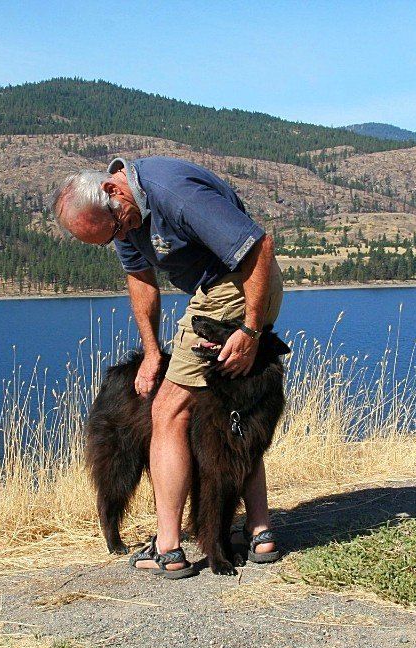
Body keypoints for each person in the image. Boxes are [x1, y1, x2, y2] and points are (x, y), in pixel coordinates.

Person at [52, 156, 283, 577]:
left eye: (117, 229)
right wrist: (153, 352)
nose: (121, 237)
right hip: (224, 293)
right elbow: (140, 278)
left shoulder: (173, 193)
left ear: (112, 191)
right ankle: (258, 530)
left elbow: (259, 246)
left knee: (167, 410)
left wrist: (250, 332)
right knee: (233, 417)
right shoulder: (124, 213)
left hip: (239, 285)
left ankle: (169, 547)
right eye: (110, 239)